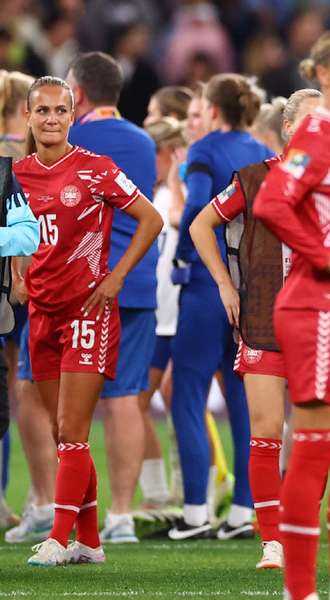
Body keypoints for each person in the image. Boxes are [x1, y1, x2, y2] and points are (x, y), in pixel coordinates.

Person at [252, 28, 330, 600]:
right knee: (315, 450)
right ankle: (301, 590)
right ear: (321, 74)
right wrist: (324, 254)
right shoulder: (316, 133)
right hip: (316, 308)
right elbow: (271, 201)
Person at [16, 76, 161, 566]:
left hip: (88, 311)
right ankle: (91, 541)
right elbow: (17, 237)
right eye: (43, 111)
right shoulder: (16, 177)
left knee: (71, 430)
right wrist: (18, 273)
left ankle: (58, 537)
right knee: (64, 434)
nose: (51, 119)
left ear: (72, 116)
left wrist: (117, 276)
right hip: (41, 314)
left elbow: (152, 218)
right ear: (28, 118)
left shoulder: (96, 170)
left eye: (60, 111)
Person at [188, 88, 321, 570]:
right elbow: (201, 225)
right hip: (263, 319)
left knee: (312, 440)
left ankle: (300, 530)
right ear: (287, 128)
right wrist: (225, 283)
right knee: (266, 433)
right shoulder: (253, 179)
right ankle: (272, 541)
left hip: (318, 329)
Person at [168, 73, 271, 541]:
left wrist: (177, 211)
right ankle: (243, 512)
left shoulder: (204, 149)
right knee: (241, 399)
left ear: (211, 109)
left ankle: (194, 513)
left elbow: (196, 211)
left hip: (207, 284)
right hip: (248, 287)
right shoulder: (258, 150)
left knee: (187, 395)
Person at [64, 51, 161, 544]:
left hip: (84, 286)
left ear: (76, 95)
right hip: (138, 282)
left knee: (56, 401)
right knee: (126, 398)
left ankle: (49, 507)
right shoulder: (144, 142)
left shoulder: (73, 139)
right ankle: (122, 515)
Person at [136, 117, 188, 513]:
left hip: (172, 315)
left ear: (167, 153)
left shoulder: (176, 195)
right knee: (154, 402)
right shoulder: (156, 193)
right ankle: (168, 493)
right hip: (163, 314)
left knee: (148, 402)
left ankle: (181, 493)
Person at [0, 68, 35, 529]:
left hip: (14, 284)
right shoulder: (25, 151)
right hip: (29, 283)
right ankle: (28, 500)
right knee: (18, 390)